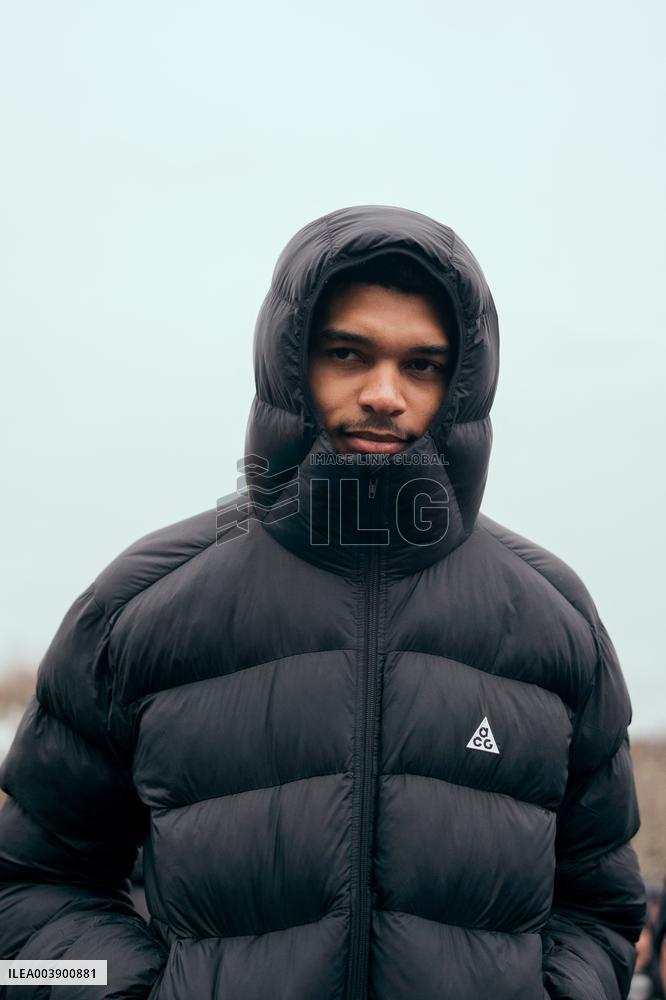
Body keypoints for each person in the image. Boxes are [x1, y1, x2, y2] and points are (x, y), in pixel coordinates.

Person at [0, 205, 646, 999]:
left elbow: (600, 906)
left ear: (464, 385)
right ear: (289, 363)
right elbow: (27, 892)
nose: (383, 393)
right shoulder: (140, 608)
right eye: (348, 353)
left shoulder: (555, 623)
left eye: (422, 365)